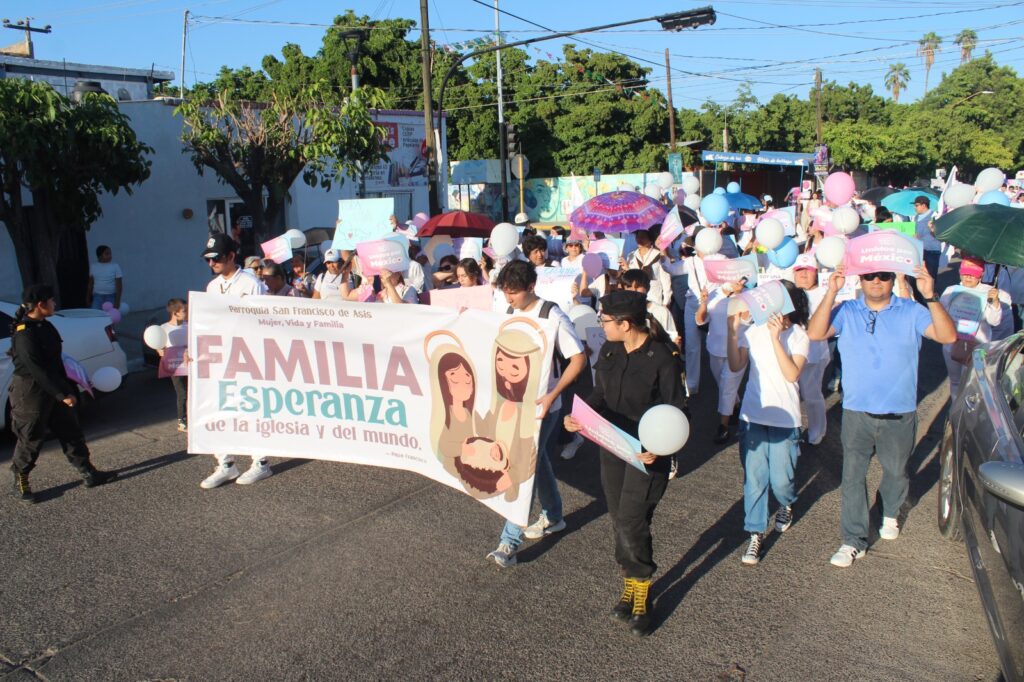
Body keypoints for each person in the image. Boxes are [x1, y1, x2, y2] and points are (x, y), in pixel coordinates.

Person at [807, 264, 956, 567]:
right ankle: (853, 540)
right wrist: (832, 291)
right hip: (857, 411)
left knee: (896, 471)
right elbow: (815, 332)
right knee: (852, 476)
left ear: (892, 279)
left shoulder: (910, 311)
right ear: (859, 279)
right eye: (869, 275)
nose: (876, 281)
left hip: (899, 412)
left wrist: (929, 296)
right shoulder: (847, 310)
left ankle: (890, 511)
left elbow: (947, 335)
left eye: (883, 275)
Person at [564, 290, 687, 636]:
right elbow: (600, 395)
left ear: (626, 323)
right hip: (614, 447)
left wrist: (660, 449)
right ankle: (630, 584)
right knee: (620, 519)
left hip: (648, 455)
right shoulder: (609, 350)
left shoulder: (663, 357)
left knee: (633, 520)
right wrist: (580, 417)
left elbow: (678, 409)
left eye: (605, 321)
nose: (601, 326)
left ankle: (642, 591)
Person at [487, 260, 585, 568]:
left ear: (531, 287)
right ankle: (554, 515)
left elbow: (578, 359)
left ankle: (508, 542)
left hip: (545, 409)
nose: (508, 298)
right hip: (513, 405)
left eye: (513, 292)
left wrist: (553, 395)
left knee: (523, 468)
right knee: (538, 462)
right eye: (505, 292)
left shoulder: (551, 315)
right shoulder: (508, 312)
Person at [8, 284, 117, 502]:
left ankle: (88, 472)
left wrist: (67, 388)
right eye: (51, 300)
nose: (55, 303)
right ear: (40, 305)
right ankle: (21, 479)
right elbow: (37, 370)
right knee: (32, 437)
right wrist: (61, 394)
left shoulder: (45, 326)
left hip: (55, 385)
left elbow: (56, 363)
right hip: (31, 392)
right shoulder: (25, 334)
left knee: (71, 430)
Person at [728, 280, 809, 565]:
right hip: (752, 415)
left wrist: (776, 339)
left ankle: (787, 503)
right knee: (755, 479)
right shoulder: (753, 331)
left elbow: (792, 375)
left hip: (785, 419)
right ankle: (755, 534)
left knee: (782, 481)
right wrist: (732, 330)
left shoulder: (799, 335)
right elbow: (736, 366)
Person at [200, 233, 273, 488]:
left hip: (247, 354)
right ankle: (226, 463)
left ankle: (261, 462)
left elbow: (261, 319)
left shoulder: (250, 283)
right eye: (208, 260)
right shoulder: (212, 287)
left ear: (231, 256)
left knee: (251, 407)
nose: (212, 264)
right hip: (220, 355)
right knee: (220, 407)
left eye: (216, 259)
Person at [939, 257, 1002, 400]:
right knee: (955, 381)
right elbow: (940, 317)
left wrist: (995, 302)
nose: (968, 277)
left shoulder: (989, 292)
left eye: (972, 274)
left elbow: (995, 321)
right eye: (965, 273)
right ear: (960, 273)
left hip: (977, 348)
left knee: (972, 384)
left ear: (980, 275)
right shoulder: (951, 291)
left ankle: (968, 413)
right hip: (951, 345)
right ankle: (955, 412)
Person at [694, 278, 745, 444]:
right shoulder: (714, 293)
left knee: (727, 387)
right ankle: (736, 408)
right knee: (722, 384)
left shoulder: (747, 294)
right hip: (715, 348)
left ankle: (723, 426)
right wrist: (703, 302)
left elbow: (747, 317)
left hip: (738, 348)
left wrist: (739, 294)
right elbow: (700, 320)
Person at [792, 254, 831, 445]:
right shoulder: (788, 292)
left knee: (811, 394)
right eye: (800, 271)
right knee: (791, 395)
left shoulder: (824, 293)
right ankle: (793, 432)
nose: (804, 275)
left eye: (808, 271)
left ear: (816, 273)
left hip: (814, 353)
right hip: (791, 353)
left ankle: (817, 430)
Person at [158, 298, 189, 432]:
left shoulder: (188, 325)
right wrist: (161, 351)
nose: (187, 313)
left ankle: (193, 417)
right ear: (175, 313)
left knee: (193, 392)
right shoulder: (163, 328)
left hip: (190, 363)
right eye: (184, 311)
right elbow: (159, 347)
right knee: (182, 393)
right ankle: (182, 420)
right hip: (175, 366)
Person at [87, 245, 123, 310]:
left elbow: (119, 286)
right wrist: (88, 298)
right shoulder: (93, 266)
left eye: (110, 253)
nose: (110, 256)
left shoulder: (115, 266)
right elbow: (90, 284)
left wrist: (117, 302)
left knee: (110, 316)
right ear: (100, 256)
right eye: (107, 254)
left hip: (111, 296)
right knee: (95, 315)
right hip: (97, 296)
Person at [913, 196, 940, 280]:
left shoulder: (935, 216)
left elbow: (938, 234)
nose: (915, 207)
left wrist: (932, 230)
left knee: (930, 277)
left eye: (916, 205)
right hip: (919, 250)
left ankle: (931, 292)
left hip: (931, 251)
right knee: (918, 276)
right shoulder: (916, 217)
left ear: (924, 205)